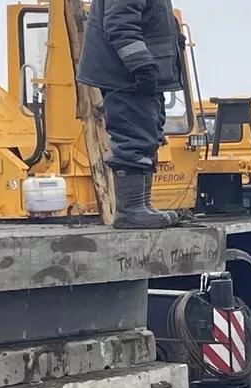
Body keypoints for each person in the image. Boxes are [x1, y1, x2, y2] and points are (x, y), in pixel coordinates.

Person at [76, 0, 185, 230]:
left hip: (134, 75)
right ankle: (131, 210)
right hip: (125, 76)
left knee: (146, 133)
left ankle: (140, 205)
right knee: (134, 135)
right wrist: (142, 66)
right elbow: (121, 25)